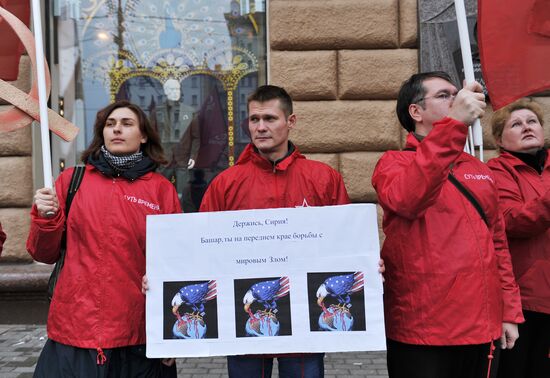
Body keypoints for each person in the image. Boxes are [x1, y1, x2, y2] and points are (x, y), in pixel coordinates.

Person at [371, 72, 524, 378]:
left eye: (456, 93)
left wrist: (509, 312)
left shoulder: (478, 169)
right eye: (443, 96)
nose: (456, 99)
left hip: (483, 327)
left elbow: (498, 246)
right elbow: (410, 198)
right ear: (416, 112)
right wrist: (453, 125)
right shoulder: (393, 164)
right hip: (422, 331)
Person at [199, 85, 350, 377]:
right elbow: (204, 249)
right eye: (254, 120)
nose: (261, 127)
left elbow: (344, 244)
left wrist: (366, 264)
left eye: (270, 118)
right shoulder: (225, 183)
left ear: (290, 122)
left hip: (305, 317)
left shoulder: (323, 179)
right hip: (244, 318)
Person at [27, 100, 181, 377]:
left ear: (144, 136)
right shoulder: (71, 181)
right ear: (102, 134)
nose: (117, 130)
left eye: (126, 123)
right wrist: (46, 217)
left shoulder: (161, 191)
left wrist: (170, 337)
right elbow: (43, 254)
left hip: (138, 334)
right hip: (75, 332)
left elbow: (177, 263)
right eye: (110, 125)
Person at [487, 98, 550, 378]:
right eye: (516, 124)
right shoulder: (496, 171)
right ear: (500, 139)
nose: (527, 127)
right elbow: (513, 220)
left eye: (532, 121)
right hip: (526, 301)